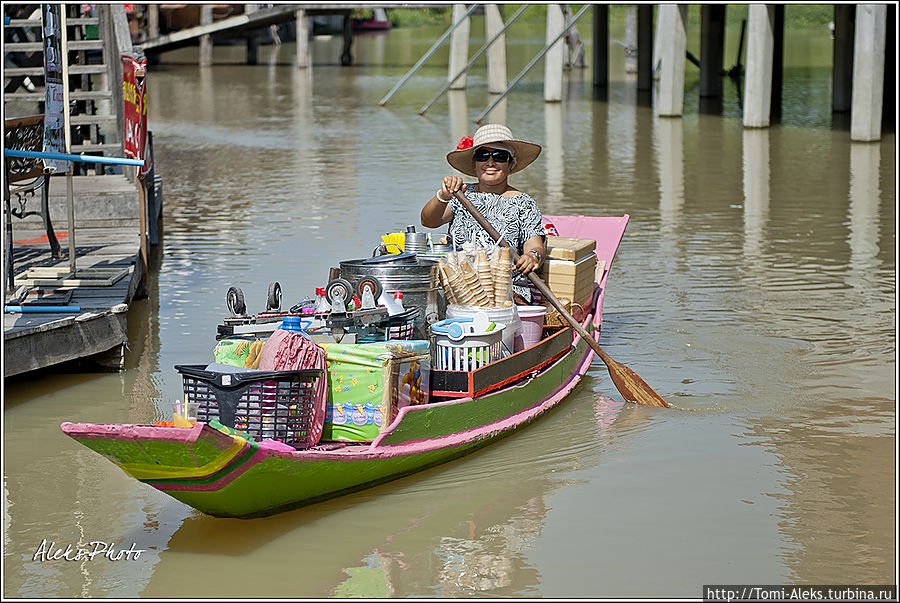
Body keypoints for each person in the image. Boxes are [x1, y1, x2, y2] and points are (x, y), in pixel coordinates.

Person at [421, 124, 546, 304]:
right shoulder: (461, 193)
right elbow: (428, 221)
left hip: (505, 289)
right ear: (475, 164)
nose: (490, 163)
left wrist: (532, 256)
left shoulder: (524, 203)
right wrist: (443, 195)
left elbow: (535, 245)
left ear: (511, 164)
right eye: (482, 156)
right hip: (459, 286)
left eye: (499, 156)